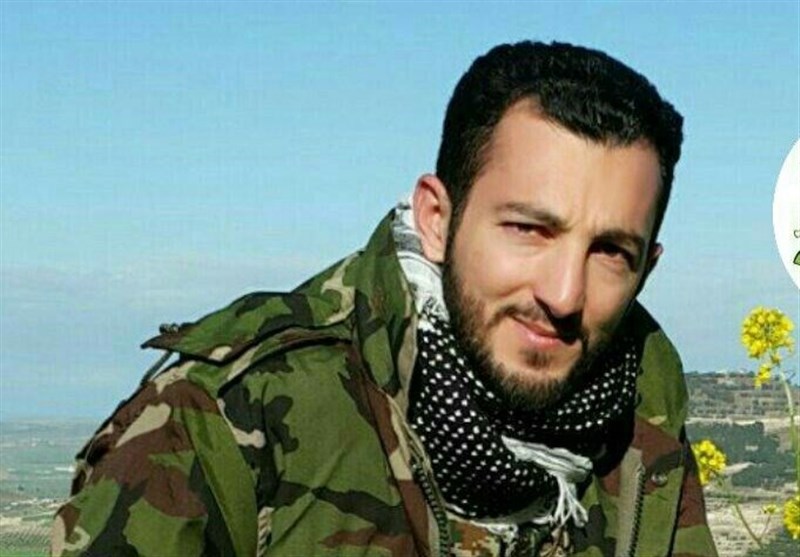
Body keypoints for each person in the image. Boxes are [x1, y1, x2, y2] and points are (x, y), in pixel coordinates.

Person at [51, 41, 717, 557]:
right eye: (528, 229)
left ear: (647, 268)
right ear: (436, 219)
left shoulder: (638, 428)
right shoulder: (227, 417)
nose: (564, 294)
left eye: (611, 252)